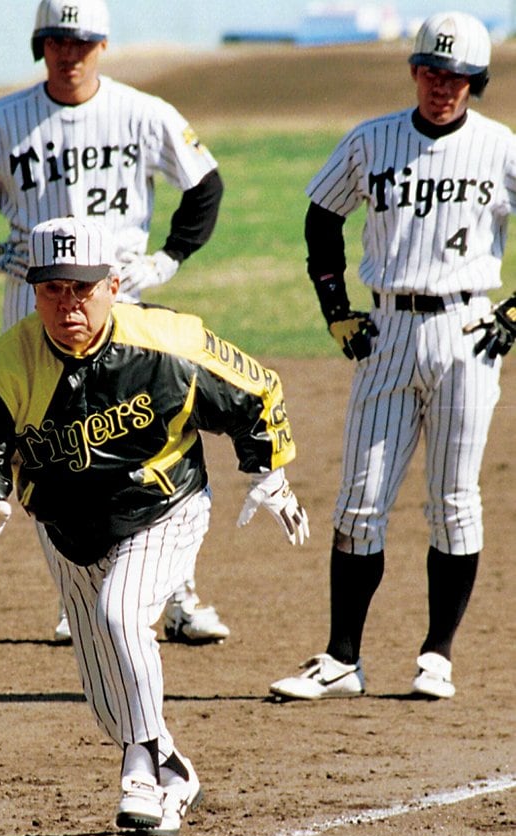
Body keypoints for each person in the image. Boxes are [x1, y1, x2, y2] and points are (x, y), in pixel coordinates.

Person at [0, 216, 309, 834]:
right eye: (52, 288)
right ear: (33, 290)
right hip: (66, 533)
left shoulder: (168, 343)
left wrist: (267, 470)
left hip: (166, 507)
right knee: (110, 700)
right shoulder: (9, 364)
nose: (67, 303)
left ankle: (138, 767)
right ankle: (171, 768)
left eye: (82, 288)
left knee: (121, 613)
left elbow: (257, 391)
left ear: (114, 283)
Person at [0, 0, 228, 645]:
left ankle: (178, 596)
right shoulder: (2, 120)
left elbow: (204, 183)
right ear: (40, 44)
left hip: (121, 299)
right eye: (56, 39)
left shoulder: (144, 113)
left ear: (103, 44)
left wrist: (169, 259)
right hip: (36, 300)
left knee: (152, 438)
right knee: (45, 447)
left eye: (81, 40)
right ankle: (76, 592)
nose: (69, 51)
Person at [269, 11, 516, 703]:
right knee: (358, 500)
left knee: (453, 498)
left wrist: (514, 314)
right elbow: (322, 215)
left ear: (476, 82)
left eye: (458, 76)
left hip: (466, 331)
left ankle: (436, 654)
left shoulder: (499, 148)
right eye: (432, 72)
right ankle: (340, 658)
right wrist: (335, 310)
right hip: (385, 331)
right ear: (414, 71)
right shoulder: (370, 140)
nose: (443, 87)